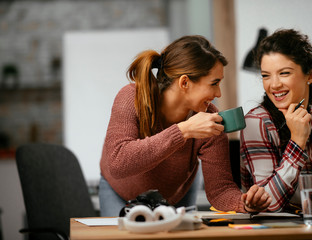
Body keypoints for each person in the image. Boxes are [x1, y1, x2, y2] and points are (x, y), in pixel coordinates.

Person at [99, 35, 271, 216]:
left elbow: (220, 190)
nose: (218, 93)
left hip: (175, 195)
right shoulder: (131, 98)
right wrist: (184, 130)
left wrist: (243, 203)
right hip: (119, 192)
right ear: (185, 82)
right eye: (214, 83)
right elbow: (118, 162)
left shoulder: (209, 119)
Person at [240, 29, 312, 213]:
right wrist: (297, 142)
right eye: (266, 75)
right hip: (270, 231)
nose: (274, 84)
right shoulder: (256, 123)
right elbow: (268, 203)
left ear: (311, 75)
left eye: (284, 73)